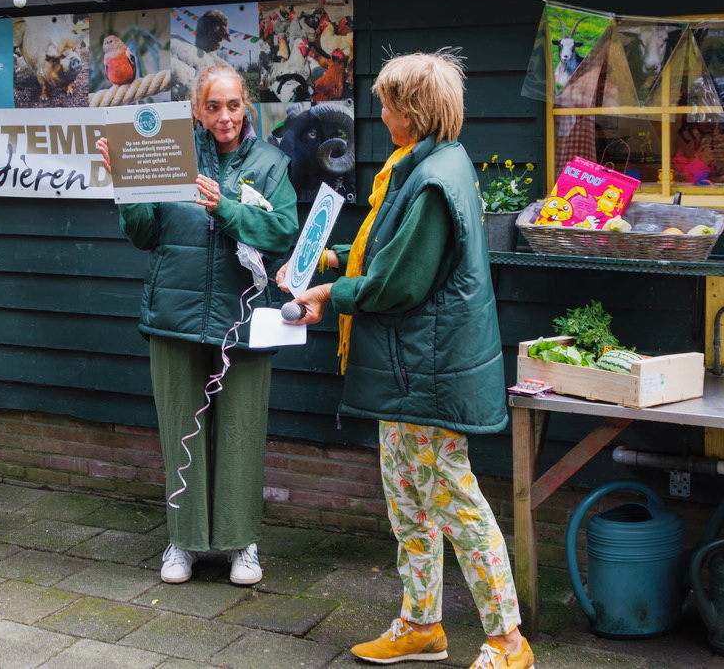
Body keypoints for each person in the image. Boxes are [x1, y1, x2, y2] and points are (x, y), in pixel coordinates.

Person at [279, 51, 534, 669]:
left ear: (412, 111)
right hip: (409, 368)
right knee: (409, 503)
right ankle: (422, 626)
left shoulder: (432, 181)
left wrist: (326, 294)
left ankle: (508, 642)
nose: (381, 110)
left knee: (456, 505)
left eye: (389, 102)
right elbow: (385, 250)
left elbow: (399, 283)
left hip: (428, 373)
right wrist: (334, 258)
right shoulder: (418, 165)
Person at [96, 65, 298, 585]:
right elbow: (144, 236)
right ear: (195, 110)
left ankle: (241, 543)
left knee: (241, 432)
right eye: (213, 106)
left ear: (246, 105)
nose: (224, 116)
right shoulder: (166, 155)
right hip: (175, 315)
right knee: (181, 430)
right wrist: (127, 183)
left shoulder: (272, 163)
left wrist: (226, 209)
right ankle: (183, 541)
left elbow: (283, 233)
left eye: (233, 105)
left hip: (245, 319)